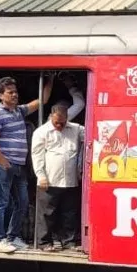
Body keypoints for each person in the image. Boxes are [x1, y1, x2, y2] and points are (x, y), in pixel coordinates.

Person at [0, 77, 50, 253]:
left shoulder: (18, 111)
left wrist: (50, 79)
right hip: (3, 166)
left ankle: (12, 237)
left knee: (22, 202)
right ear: (0, 95)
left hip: (18, 166)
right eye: (10, 92)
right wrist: (5, 164)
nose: (14, 95)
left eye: (15, 92)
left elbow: (42, 100)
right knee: (1, 202)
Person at [31, 101, 85, 251]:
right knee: (47, 213)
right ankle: (44, 242)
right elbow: (37, 156)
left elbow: (92, 133)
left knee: (69, 212)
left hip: (70, 179)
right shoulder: (41, 132)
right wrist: (41, 176)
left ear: (67, 118)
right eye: (56, 123)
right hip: (49, 179)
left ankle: (69, 241)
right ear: (50, 118)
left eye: (62, 123)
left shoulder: (76, 129)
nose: (59, 126)